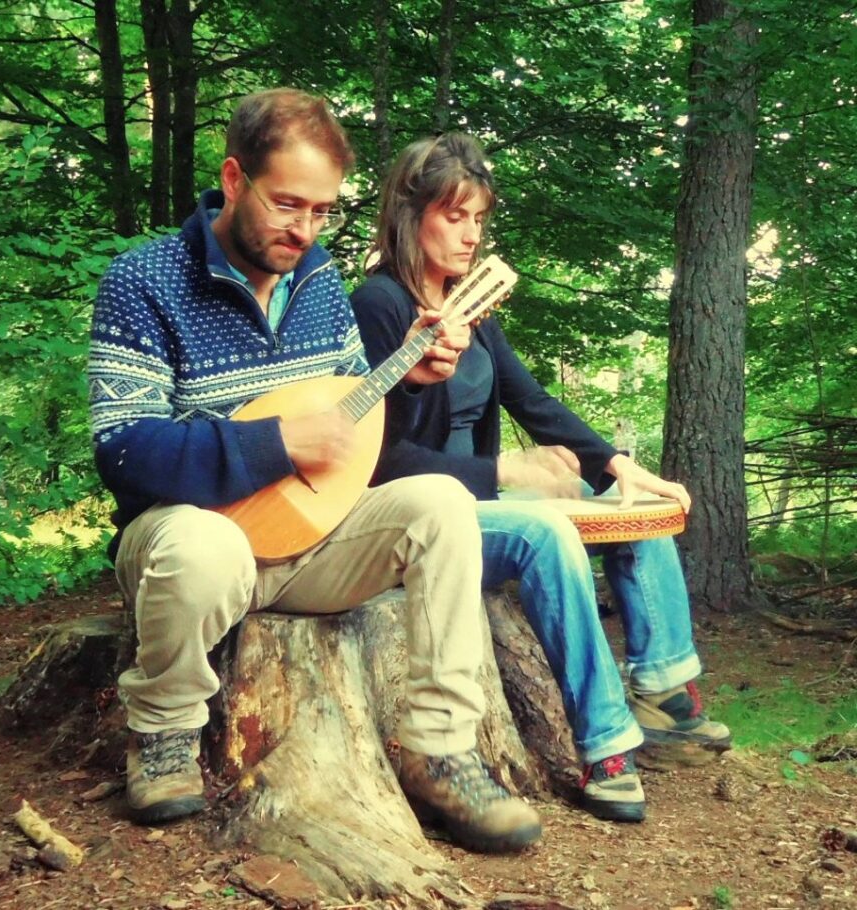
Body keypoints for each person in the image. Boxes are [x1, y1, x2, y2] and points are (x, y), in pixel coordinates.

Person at [88, 91, 542, 853]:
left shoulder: (321, 282)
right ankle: (163, 735)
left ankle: (441, 748)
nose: (304, 229)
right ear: (234, 181)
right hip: (190, 541)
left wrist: (410, 378)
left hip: (311, 539)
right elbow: (125, 450)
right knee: (206, 547)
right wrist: (275, 443)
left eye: (323, 211)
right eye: (286, 204)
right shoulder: (145, 282)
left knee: (438, 502)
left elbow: (344, 420)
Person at [350, 132, 731, 824]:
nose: (470, 235)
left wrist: (621, 469)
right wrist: (502, 468)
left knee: (629, 509)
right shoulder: (377, 305)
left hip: (486, 496)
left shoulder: (470, 304)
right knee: (547, 530)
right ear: (413, 215)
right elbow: (377, 460)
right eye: (453, 216)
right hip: (416, 516)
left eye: (479, 219)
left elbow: (532, 402)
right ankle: (607, 745)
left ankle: (667, 691)